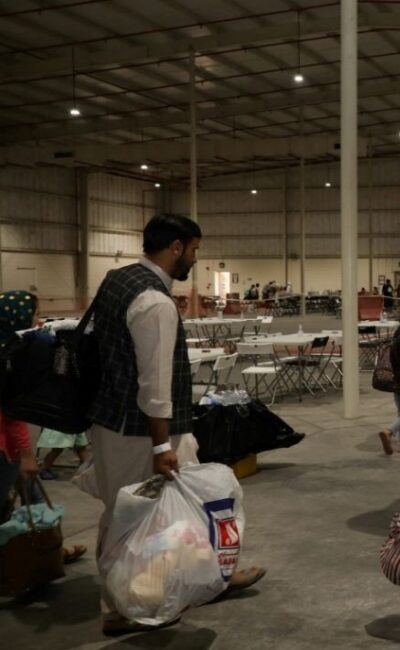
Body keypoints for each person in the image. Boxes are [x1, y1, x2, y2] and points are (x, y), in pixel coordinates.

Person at [88, 214, 265, 637]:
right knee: (137, 520)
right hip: (141, 432)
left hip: (110, 421)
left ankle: (208, 577)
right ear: (175, 248)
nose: (194, 259)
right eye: (194, 250)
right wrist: (160, 446)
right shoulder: (154, 302)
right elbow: (155, 381)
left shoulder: (118, 278)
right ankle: (123, 604)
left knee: (145, 510)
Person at [0, 291, 86, 564]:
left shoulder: (10, 350)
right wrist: (26, 454)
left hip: (8, 446)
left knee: (33, 494)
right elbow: (9, 414)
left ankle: (49, 548)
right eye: (35, 315)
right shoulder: (6, 358)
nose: (39, 322)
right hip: (4, 447)